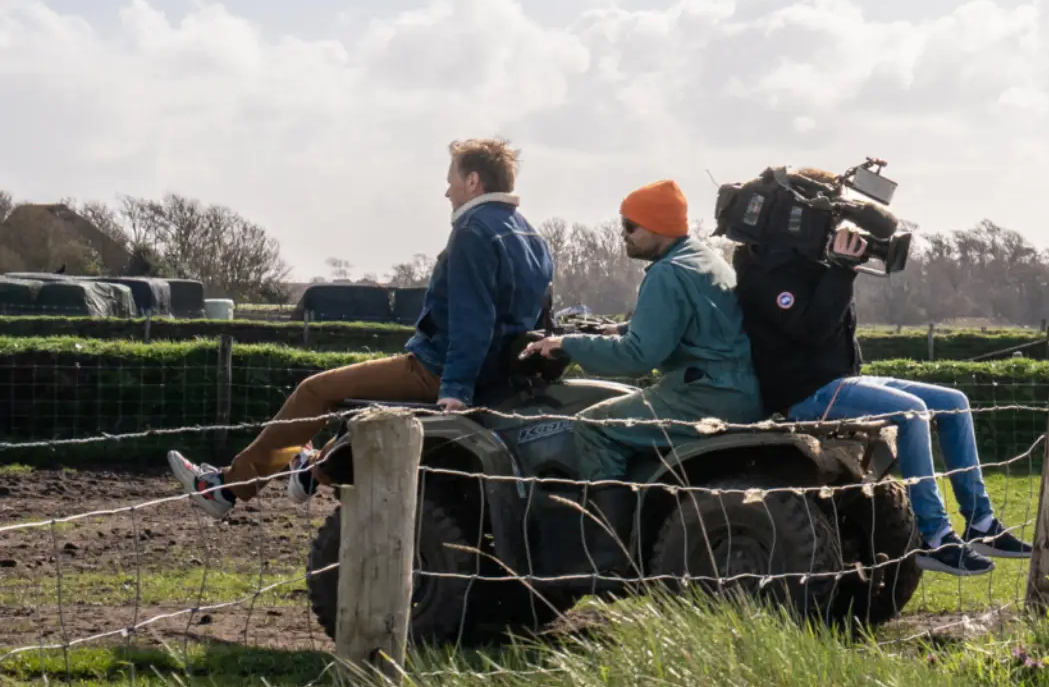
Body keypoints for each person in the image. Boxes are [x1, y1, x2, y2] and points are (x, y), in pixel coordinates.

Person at [168, 137, 554, 513]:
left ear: (473, 182)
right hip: (497, 376)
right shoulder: (532, 237)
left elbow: (473, 318)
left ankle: (226, 489)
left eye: (451, 179)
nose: (446, 192)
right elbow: (539, 319)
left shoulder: (472, 231)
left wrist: (455, 390)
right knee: (361, 395)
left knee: (315, 392)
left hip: (439, 370)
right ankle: (311, 469)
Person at [732, 189, 1029, 577]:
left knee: (953, 401)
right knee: (912, 412)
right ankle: (935, 538)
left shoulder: (804, 260)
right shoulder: (767, 271)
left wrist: (841, 264)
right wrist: (840, 269)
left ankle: (981, 524)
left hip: (836, 380)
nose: (831, 230)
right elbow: (811, 330)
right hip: (803, 393)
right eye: (824, 221)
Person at [519, 180, 764, 481]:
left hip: (703, 396)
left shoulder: (667, 273)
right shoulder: (703, 259)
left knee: (593, 427)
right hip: (735, 390)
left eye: (630, 226)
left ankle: (605, 527)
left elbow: (638, 355)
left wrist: (567, 344)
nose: (623, 235)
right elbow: (688, 324)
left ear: (657, 226)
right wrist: (617, 329)